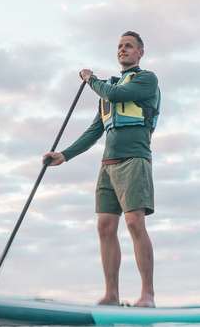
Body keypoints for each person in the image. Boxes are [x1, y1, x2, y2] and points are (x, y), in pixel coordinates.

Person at [43, 31, 162, 306]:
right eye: (120, 46)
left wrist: (90, 80)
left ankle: (147, 294)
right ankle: (111, 295)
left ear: (140, 52)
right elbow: (95, 130)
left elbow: (117, 93)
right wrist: (64, 155)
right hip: (107, 165)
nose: (123, 50)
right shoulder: (105, 92)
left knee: (135, 223)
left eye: (129, 46)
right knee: (105, 227)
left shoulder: (146, 79)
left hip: (135, 160)